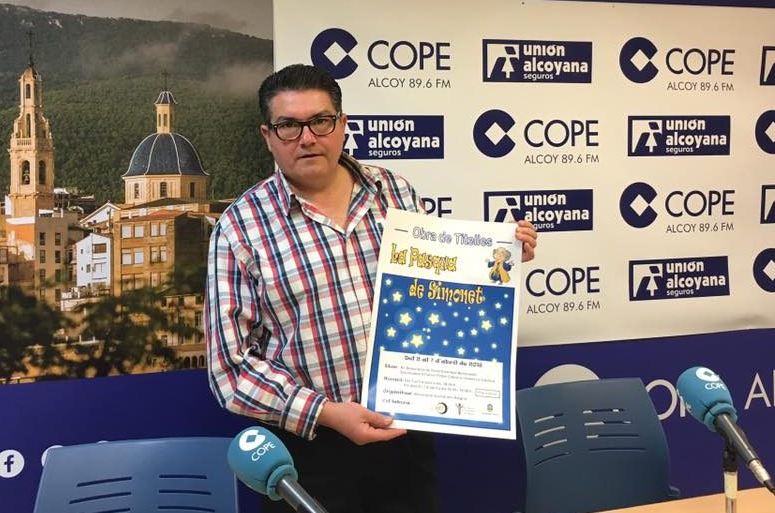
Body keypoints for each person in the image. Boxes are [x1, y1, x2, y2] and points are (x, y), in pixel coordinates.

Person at [204, 63, 538, 512]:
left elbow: (439, 289)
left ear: (342, 125)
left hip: (404, 442)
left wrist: (498, 261)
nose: (307, 138)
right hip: (309, 455)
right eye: (288, 126)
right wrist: (325, 413)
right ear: (268, 135)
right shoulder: (240, 228)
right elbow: (230, 371)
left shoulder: (395, 193)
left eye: (321, 121)